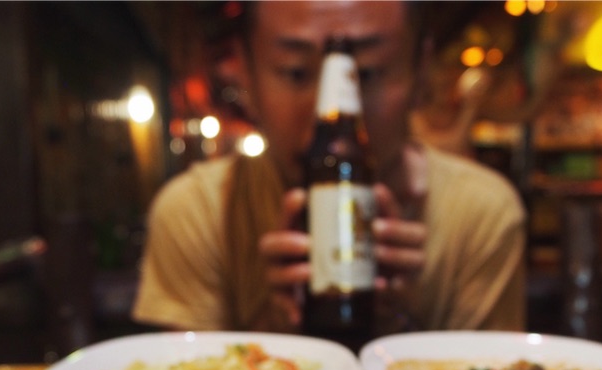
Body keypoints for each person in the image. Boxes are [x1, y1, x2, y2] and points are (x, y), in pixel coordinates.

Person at [131, 0, 526, 340]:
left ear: (420, 71)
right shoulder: (199, 210)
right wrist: (279, 323)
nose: (330, 113)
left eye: (364, 74)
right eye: (295, 72)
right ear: (245, 74)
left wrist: (401, 321)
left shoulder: (481, 212)